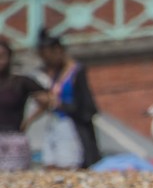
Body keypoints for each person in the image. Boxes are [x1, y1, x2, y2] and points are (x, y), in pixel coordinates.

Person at [35, 30, 102, 169]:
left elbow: (85, 105)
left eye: (47, 56)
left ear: (57, 50)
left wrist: (59, 104)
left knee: (68, 165)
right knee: (50, 164)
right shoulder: (55, 73)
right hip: (54, 124)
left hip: (73, 127)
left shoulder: (76, 72)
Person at [0, 37, 48, 171]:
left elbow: (47, 99)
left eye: (3, 56)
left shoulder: (20, 81)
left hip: (14, 138)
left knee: (15, 182)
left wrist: (29, 120)